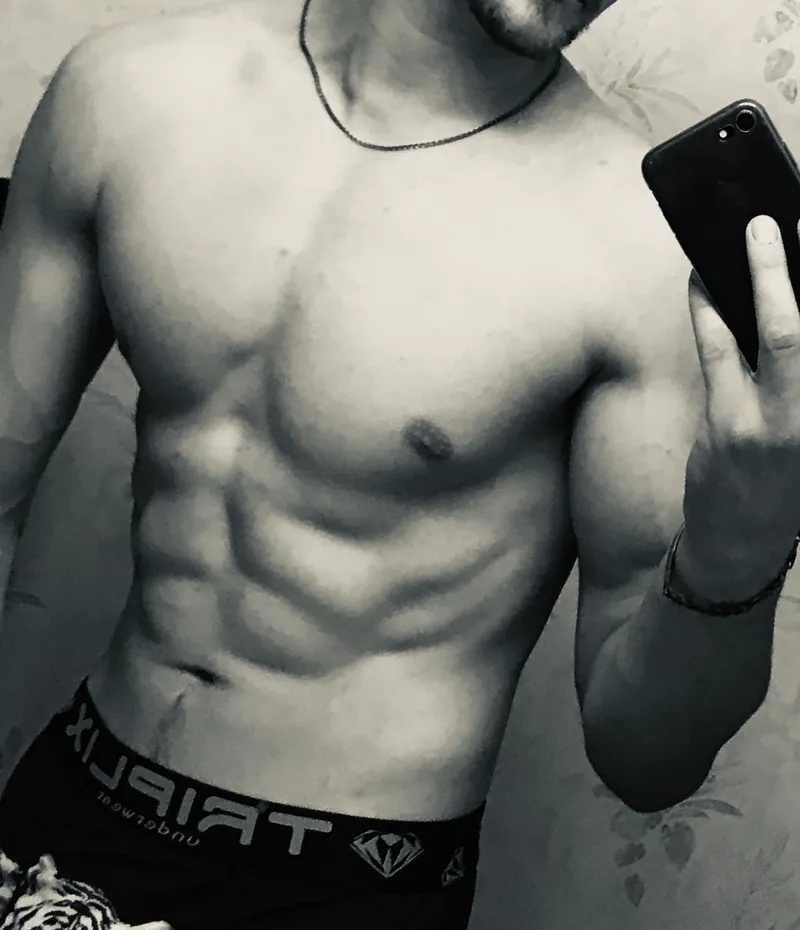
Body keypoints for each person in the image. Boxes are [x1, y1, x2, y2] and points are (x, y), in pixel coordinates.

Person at [0, 0, 799, 927]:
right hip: (65, 818)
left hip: (346, 885)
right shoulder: (128, 94)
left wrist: (737, 552)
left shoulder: (636, 252)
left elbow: (647, 761)